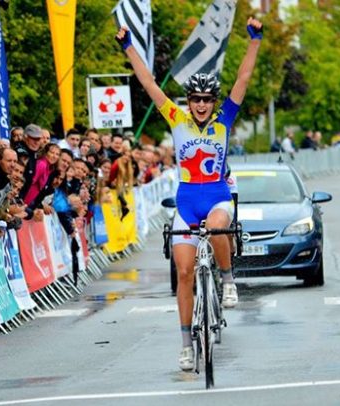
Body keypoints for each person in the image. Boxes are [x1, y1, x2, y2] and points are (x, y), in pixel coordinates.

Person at [116, 16, 262, 371]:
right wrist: (128, 47)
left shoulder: (224, 119)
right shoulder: (176, 119)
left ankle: (227, 281)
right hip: (186, 200)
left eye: (206, 99)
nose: (200, 104)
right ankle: (185, 344)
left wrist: (254, 39)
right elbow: (148, 82)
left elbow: (242, 79)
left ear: (213, 101)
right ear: (189, 100)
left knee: (216, 227)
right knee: (183, 274)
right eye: (195, 99)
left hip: (215, 196)